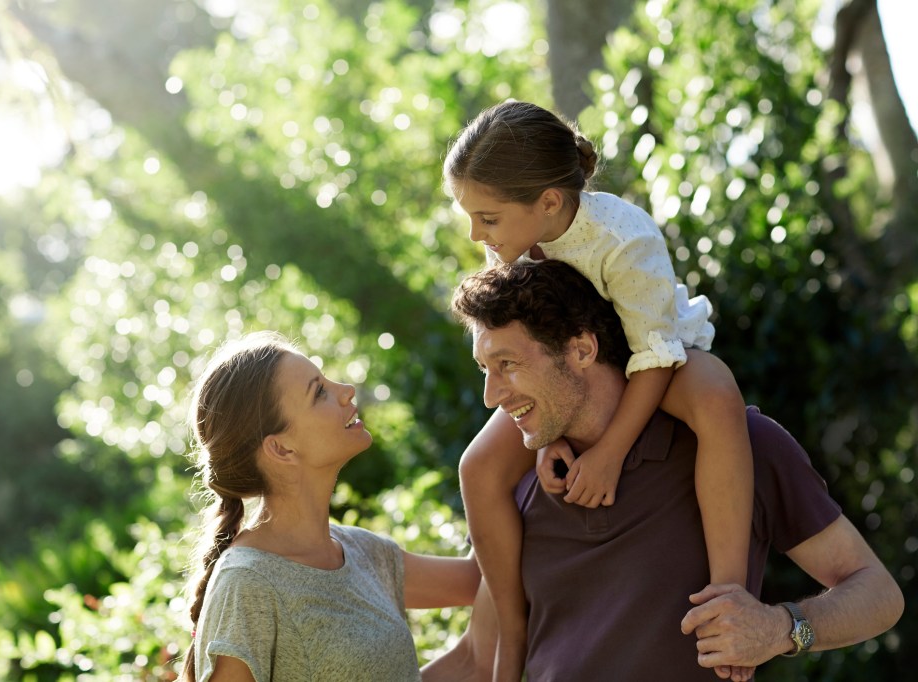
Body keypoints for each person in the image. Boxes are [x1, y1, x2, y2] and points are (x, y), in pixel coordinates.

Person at [422, 259, 903, 680]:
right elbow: (478, 658)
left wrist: (781, 629)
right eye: (485, 369)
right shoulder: (521, 487)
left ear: (582, 349)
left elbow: (878, 593)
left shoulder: (742, 445)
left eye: (507, 363)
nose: (491, 396)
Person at [443, 100, 755, 680]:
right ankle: (511, 636)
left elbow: (654, 355)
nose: (475, 233)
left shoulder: (623, 237)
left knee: (716, 395)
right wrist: (546, 437)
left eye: (486, 218)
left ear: (549, 202)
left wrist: (608, 453)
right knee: (478, 466)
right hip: (572, 368)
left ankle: (727, 599)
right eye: (470, 217)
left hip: (650, 353)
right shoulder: (509, 241)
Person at [179, 331, 480, 682]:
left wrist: (525, 415)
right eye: (319, 391)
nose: (346, 390)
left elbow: (482, 580)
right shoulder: (246, 584)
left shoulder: (363, 552)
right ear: (281, 448)